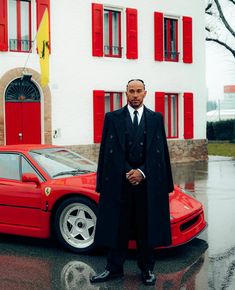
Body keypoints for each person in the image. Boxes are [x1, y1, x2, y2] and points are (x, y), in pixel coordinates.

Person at [90, 79, 174, 286]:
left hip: (147, 184)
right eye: (131, 91)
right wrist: (128, 171)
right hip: (120, 183)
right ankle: (113, 268)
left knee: (146, 227)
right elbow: (107, 154)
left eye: (139, 91)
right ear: (125, 93)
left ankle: (147, 269)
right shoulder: (112, 118)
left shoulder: (155, 118)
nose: (135, 95)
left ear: (145, 93)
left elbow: (160, 153)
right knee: (118, 226)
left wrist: (142, 172)